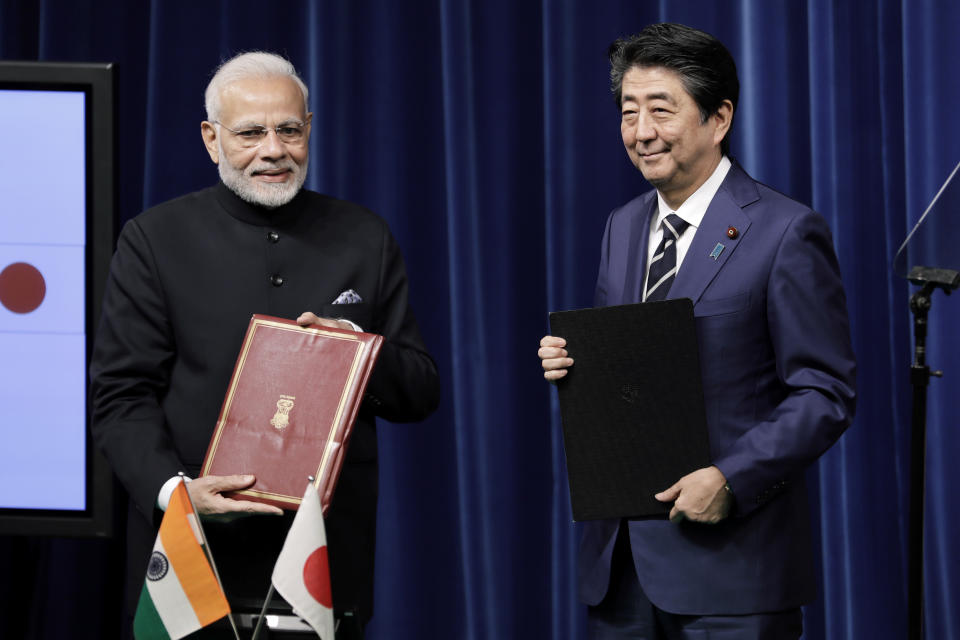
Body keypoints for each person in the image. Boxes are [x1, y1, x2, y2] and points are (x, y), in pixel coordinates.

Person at [90, 51, 440, 637]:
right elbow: (121, 398)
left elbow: (419, 391)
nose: (273, 150)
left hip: (323, 571)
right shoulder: (154, 239)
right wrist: (177, 493)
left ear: (309, 130)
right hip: (191, 567)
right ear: (211, 138)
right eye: (250, 133)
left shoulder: (365, 236)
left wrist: (355, 349)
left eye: (289, 130)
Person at [538, 23, 856, 639]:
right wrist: (574, 364)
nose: (642, 132)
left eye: (662, 109)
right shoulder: (623, 226)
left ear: (719, 118)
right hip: (621, 574)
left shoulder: (787, 231)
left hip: (732, 575)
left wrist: (732, 478)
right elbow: (631, 369)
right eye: (629, 112)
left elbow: (825, 392)